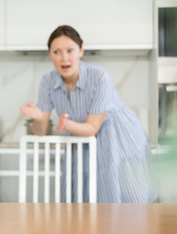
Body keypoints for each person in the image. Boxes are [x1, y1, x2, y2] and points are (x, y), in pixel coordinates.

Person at [20, 25, 157, 203]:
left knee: (113, 195)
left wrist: (66, 125)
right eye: (57, 52)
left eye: (70, 50)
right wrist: (38, 119)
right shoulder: (47, 82)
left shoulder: (100, 77)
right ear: (50, 55)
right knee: (79, 196)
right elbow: (40, 131)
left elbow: (93, 127)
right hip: (78, 138)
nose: (64, 58)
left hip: (115, 135)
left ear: (81, 51)